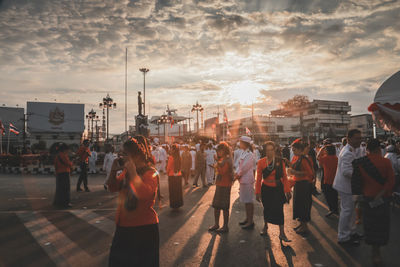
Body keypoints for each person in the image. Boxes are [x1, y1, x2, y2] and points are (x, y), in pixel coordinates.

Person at [106, 137, 159, 267]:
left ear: (135, 156)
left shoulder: (150, 172)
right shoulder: (126, 171)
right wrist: (113, 171)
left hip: (143, 229)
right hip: (123, 226)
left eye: (125, 154)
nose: (121, 157)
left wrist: (133, 172)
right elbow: (112, 187)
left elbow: (143, 194)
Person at [352, 139, 395, 266]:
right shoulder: (386, 162)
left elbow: (356, 185)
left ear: (367, 150)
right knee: (381, 226)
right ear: (378, 149)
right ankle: (378, 253)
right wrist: (381, 194)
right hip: (382, 200)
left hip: (367, 199)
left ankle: (374, 252)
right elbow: (391, 182)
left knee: (370, 226)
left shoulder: (360, 163)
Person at [256, 141, 291, 242]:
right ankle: (265, 227)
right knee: (266, 208)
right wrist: (257, 192)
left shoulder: (280, 161)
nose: (269, 152)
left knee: (279, 210)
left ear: (274, 150)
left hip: (277, 188)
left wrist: (287, 190)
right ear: (264, 151)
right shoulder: (261, 162)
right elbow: (258, 179)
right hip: (266, 188)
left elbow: (284, 176)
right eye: (267, 150)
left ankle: (282, 233)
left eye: (271, 150)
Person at [333, 129, 363, 246]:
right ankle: (343, 237)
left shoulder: (354, 149)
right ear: (349, 139)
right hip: (346, 186)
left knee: (351, 210)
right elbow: (346, 171)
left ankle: (352, 231)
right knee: (347, 211)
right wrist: (362, 175)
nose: (359, 140)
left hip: (350, 186)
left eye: (360, 138)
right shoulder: (347, 152)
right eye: (357, 138)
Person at [287, 138, 314, 235]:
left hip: (303, 185)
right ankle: (302, 225)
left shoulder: (304, 159)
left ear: (299, 150)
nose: (293, 152)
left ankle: (304, 226)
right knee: (298, 206)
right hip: (298, 184)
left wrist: (295, 172)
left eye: (294, 150)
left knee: (303, 206)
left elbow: (310, 173)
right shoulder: (298, 158)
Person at [209, 142, 234, 233]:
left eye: (220, 150)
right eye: (218, 150)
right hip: (220, 184)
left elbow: (223, 172)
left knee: (224, 206)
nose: (218, 152)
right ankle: (216, 224)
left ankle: (225, 226)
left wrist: (217, 163)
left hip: (225, 185)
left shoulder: (227, 159)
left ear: (224, 151)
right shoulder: (223, 159)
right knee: (216, 205)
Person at [235, 136, 255, 230]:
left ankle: (250, 221)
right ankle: (248, 219)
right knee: (246, 201)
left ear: (245, 143)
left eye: (241, 142)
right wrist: (237, 174)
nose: (239, 143)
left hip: (247, 180)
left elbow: (244, 168)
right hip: (243, 180)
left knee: (249, 201)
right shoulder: (243, 152)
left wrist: (237, 175)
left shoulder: (249, 154)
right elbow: (239, 165)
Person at [317, 144, 339, 217]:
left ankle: (332, 209)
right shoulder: (336, 158)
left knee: (328, 196)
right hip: (335, 180)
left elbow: (318, 158)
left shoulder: (325, 158)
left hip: (327, 180)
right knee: (334, 195)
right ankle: (335, 209)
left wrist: (321, 149)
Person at [53, 143, 73, 208]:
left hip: (59, 173)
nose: (68, 151)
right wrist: (72, 163)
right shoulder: (64, 156)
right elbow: (68, 164)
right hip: (65, 173)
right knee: (66, 189)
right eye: (67, 150)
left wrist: (56, 172)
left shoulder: (57, 156)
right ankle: (66, 203)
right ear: (64, 150)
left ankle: (57, 202)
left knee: (59, 189)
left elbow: (55, 165)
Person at [167, 144, 183, 209]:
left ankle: (174, 204)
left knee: (173, 191)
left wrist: (167, 172)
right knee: (178, 190)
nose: (170, 150)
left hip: (172, 175)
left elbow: (168, 167)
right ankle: (179, 203)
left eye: (171, 149)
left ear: (173, 150)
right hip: (178, 175)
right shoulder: (179, 157)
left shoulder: (171, 157)